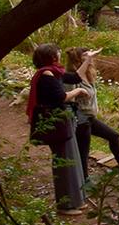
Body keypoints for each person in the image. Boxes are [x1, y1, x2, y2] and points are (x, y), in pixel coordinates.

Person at [26, 43, 84, 212]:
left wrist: (88, 60)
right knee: (64, 163)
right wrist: (78, 92)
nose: (60, 55)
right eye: (58, 53)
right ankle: (65, 205)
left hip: (60, 122)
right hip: (55, 123)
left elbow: (75, 78)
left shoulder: (53, 72)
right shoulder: (47, 74)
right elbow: (61, 97)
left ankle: (75, 200)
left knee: (70, 160)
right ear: (52, 57)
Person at [64, 47, 119, 175]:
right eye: (86, 56)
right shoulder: (71, 77)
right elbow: (67, 97)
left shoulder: (87, 75)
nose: (91, 58)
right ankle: (85, 181)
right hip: (80, 119)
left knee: (113, 135)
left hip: (90, 118)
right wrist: (78, 93)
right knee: (83, 151)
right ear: (79, 59)